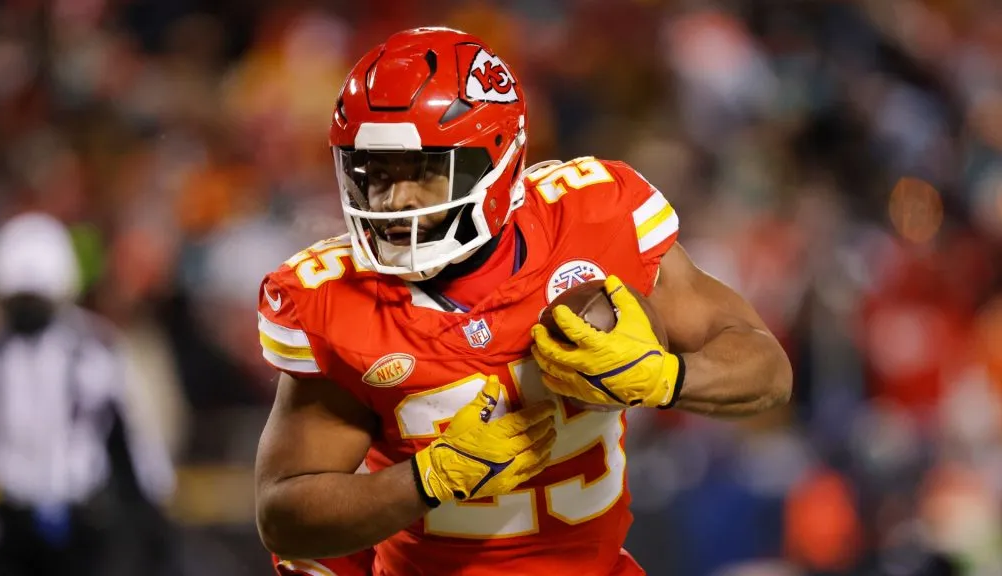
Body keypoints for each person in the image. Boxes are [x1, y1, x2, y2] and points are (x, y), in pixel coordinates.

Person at [254, 27, 793, 576]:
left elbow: (767, 370)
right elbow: (284, 514)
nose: (396, 200)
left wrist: (666, 378)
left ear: (497, 159)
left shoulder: (594, 217)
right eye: (378, 171)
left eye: (426, 170)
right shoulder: (333, 297)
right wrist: (427, 478)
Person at [0, 212, 176, 576]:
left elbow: (134, 440)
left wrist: (151, 514)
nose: (28, 314)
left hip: (80, 522)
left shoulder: (95, 350)